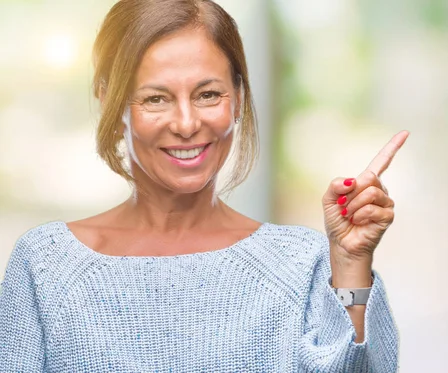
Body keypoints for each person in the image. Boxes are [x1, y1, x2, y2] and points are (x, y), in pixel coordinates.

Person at [0, 0, 407, 371]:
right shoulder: (46, 267)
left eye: (208, 94)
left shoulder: (305, 265)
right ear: (109, 100)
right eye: (156, 99)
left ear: (240, 98)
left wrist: (351, 263)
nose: (187, 123)